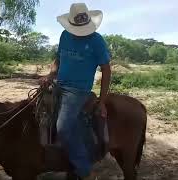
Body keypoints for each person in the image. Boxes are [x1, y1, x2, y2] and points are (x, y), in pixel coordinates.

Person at [39, 3, 111, 180]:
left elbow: (106, 70)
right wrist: (50, 74)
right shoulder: (65, 35)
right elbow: (58, 59)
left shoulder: (96, 41)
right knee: (37, 110)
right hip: (59, 83)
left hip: (78, 91)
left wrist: (102, 101)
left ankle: (85, 169)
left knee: (63, 128)